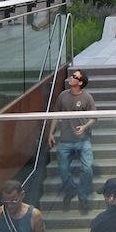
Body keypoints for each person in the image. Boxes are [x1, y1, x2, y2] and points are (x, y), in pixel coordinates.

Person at [48, 68, 96, 213]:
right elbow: (55, 115)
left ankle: (82, 195)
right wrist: (50, 133)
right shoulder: (63, 96)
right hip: (65, 140)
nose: (71, 77)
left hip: (83, 139)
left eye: (74, 76)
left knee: (87, 169)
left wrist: (84, 126)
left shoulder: (87, 98)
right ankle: (71, 190)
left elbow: (94, 117)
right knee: (63, 170)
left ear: (80, 82)